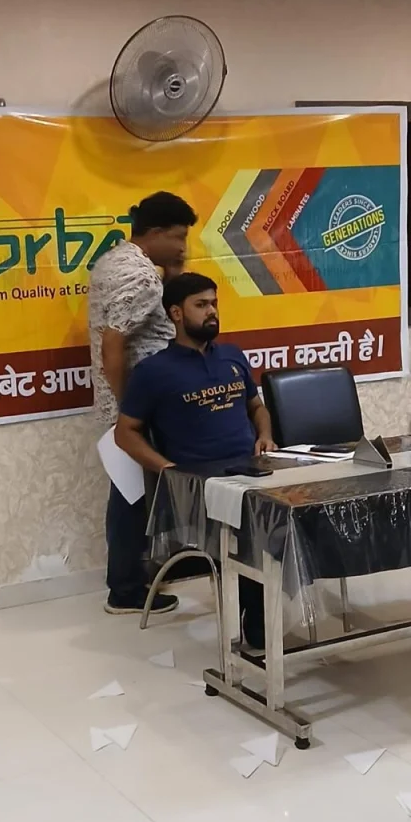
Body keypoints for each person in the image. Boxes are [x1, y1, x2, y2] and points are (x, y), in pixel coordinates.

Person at [114, 271, 277, 646]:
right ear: (176, 313)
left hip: (253, 470)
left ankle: (275, 618)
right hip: (200, 484)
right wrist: (167, 469)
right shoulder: (153, 372)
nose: (212, 312)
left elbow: (257, 407)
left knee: (296, 512)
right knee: (253, 530)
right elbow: (125, 433)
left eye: (214, 303)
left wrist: (265, 436)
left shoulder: (232, 356)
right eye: (201, 305)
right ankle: (259, 629)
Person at [89, 191, 198, 615]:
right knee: (132, 498)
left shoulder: (115, 261)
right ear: (154, 232)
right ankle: (125, 589)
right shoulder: (141, 277)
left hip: (133, 402)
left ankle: (139, 575)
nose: (183, 246)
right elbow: (113, 346)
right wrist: (128, 412)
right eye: (178, 236)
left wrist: (174, 272)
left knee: (136, 492)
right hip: (138, 405)